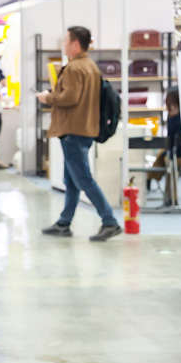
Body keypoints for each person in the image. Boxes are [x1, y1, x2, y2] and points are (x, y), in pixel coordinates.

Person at [37, 26, 123, 242]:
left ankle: (109, 221)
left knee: (83, 178)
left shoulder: (75, 68)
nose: (63, 44)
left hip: (73, 130)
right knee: (72, 179)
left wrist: (48, 97)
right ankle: (64, 222)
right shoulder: (90, 66)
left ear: (75, 44)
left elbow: (70, 98)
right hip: (84, 128)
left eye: (66, 40)